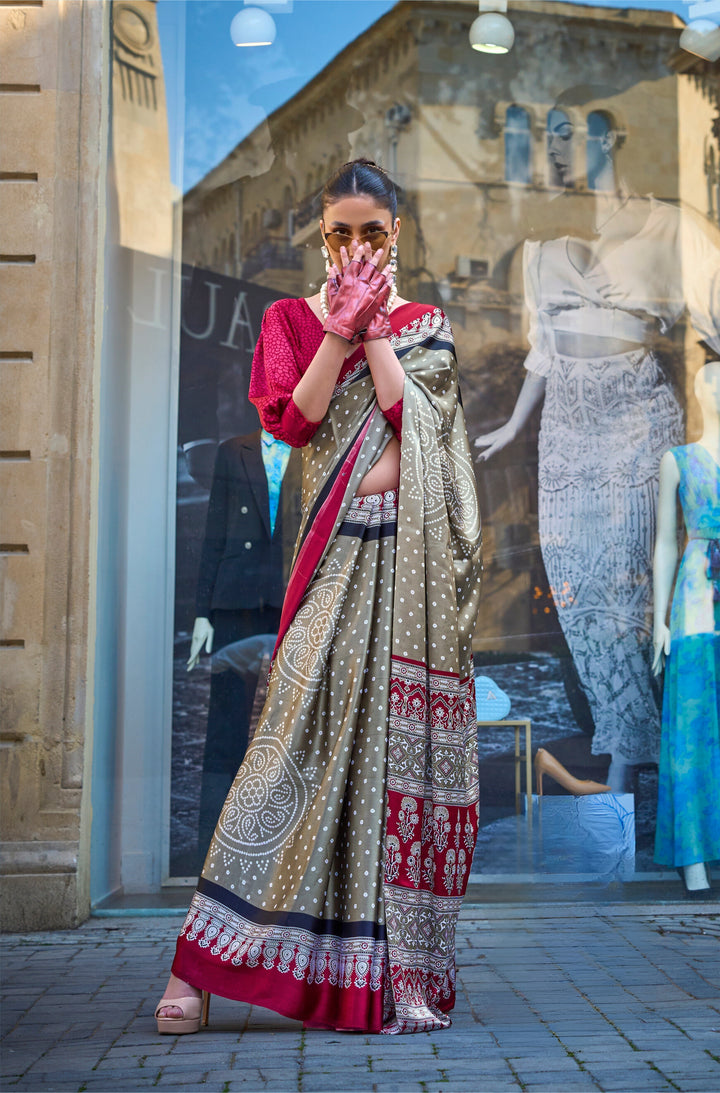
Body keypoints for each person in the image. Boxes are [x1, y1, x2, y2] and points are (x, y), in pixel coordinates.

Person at [155, 158, 483, 1035]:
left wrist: (374, 326)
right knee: (283, 752)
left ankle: (367, 974)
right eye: (338, 233)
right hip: (334, 562)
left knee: (385, 770)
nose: (354, 246)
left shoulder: (428, 324)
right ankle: (200, 962)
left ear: (397, 234)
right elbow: (292, 422)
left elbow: (418, 423)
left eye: (371, 232)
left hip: (404, 574)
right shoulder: (288, 319)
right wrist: (335, 328)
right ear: (321, 236)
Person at [476, 104, 720, 793]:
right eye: (545, 134)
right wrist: (514, 425)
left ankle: (644, 758)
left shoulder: (672, 225)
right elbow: (541, 352)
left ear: (611, 137)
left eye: (566, 131)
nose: (553, 147)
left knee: (634, 591)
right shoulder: (540, 243)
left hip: (636, 418)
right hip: (567, 424)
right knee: (578, 593)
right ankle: (628, 740)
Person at [187, 429, 300, 853]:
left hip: (293, 598)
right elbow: (215, 532)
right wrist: (202, 612)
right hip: (235, 601)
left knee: (293, 727)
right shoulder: (233, 450)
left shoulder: (316, 446)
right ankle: (212, 844)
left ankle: (283, 845)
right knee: (226, 724)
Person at [652, 362, 720, 898]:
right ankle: (692, 854)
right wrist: (659, 618)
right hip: (696, 603)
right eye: (709, 377)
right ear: (696, 391)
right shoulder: (678, 460)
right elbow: (666, 543)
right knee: (692, 728)